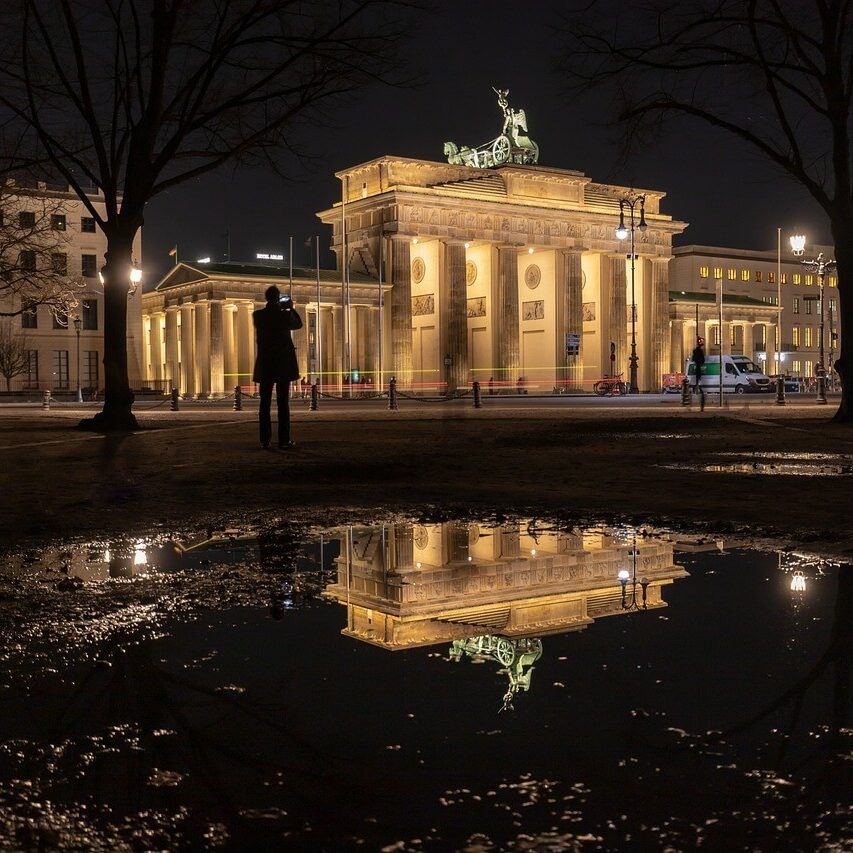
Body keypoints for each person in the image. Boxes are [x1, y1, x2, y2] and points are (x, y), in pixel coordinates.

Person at [252, 285, 303, 449]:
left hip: (266, 364)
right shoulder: (284, 316)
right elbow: (299, 325)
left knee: (264, 404)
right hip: (282, 365)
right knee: (283, 404)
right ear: (278, 298)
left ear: (266, 298)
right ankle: (284, 440)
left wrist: (281, 309)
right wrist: (290, 309)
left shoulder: (258, 315)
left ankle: (265, 440)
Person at [691, 336, 706, 412]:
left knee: (698, 386)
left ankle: (696, 388)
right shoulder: (699, 351)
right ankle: (701, 406)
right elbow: (702, 360)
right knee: (700, 388)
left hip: (697, 370)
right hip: (698, 370)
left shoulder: (696, 351)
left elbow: (693, 359)